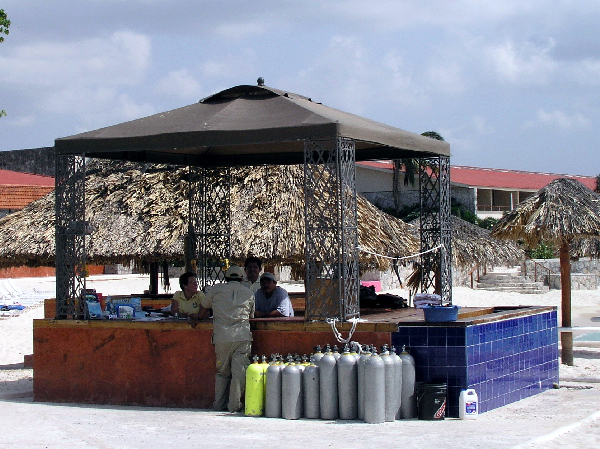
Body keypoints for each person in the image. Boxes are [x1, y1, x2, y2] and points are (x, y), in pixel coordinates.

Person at [200, 265, 255, 413]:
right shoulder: (249, 293)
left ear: (225, 277)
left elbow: (202, 310)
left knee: (222, 373)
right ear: (242, 278)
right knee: (239, 374)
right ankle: (234, 406)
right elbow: (251, 316)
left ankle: (219, 405)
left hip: (222, 337)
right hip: (242, 337)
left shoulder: (215, 290)